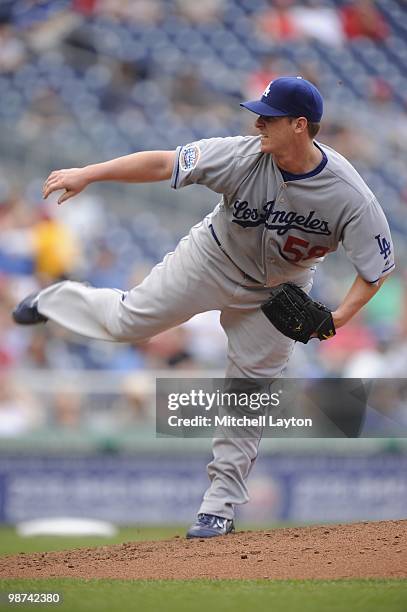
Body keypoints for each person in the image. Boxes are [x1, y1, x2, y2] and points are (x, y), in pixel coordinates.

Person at [12, 76, 395, 538]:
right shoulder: (243, 154)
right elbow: (164, 163)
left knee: (247, 395)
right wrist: (91, 172)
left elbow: (375, 270)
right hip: (212, 259)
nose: (257, 122)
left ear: (299, 125)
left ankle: (218, 509)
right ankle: (55, 298)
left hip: (277, 290)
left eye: (268, 116)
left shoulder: (350, 195)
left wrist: (336, 319)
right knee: (126, 322)